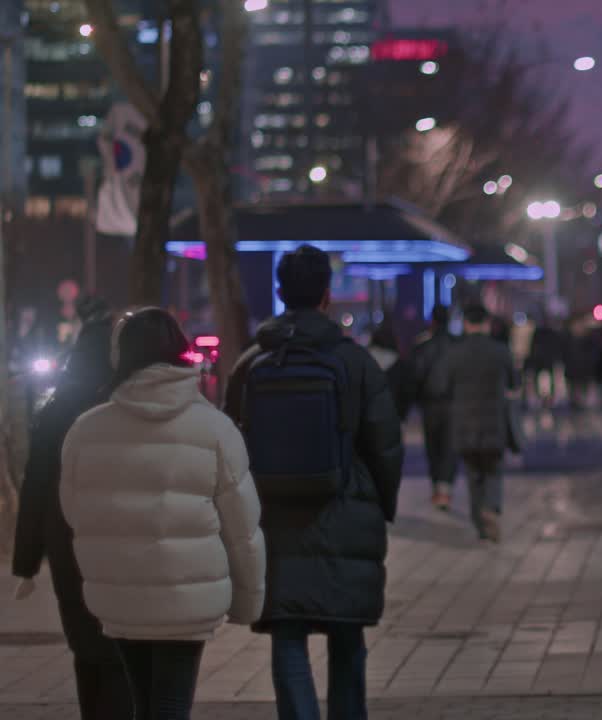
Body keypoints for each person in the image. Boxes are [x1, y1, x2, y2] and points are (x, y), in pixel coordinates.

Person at [225, 245, 404, 720]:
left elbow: (231, 446)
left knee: (288, 638)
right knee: (347, 637)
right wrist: (380, 505)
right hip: (346, 513)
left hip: (276, 518)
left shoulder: (250, 365)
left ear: (281, 293)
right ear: (328, 296)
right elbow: (385, 445)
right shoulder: (357, 363)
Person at [59, 308, 266, 719]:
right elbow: (242, 526)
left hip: (117, 591)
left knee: (142, 699)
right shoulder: (215, 428)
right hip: (188, 593)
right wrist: (248, 601)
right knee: (171, 701)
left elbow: (73, 511)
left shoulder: (86, 429)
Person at [11, 299, 133, 720]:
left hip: (67, 541)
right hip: (119, 543)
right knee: (118, 648)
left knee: (85, 645)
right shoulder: (126, 405)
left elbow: (36, 485)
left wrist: (26, 561)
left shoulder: (56, 410)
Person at [430, 304, 520, 543]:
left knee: (473, 472)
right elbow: (514, 382)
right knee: (493, 468)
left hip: (464, 422)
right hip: (494, 421)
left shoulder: (454, 352)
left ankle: (480, 523)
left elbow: (440, 386)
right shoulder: (501, 351)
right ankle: (491, 507)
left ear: (466, 324)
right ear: (486, 324)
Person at [408, 305, 458, 511]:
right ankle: (445, 488)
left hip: (429, 403)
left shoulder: (422, 346)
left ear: (433, 321)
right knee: (449, 445)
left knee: (433, 444)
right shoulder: (458, 345)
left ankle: (437, 486)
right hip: (453, 402)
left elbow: (415, 376)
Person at [367, 318, 412, 420]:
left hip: (369, 418)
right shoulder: (399, 365)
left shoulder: (365, 362)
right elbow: (406, 392)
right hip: (393, 416)